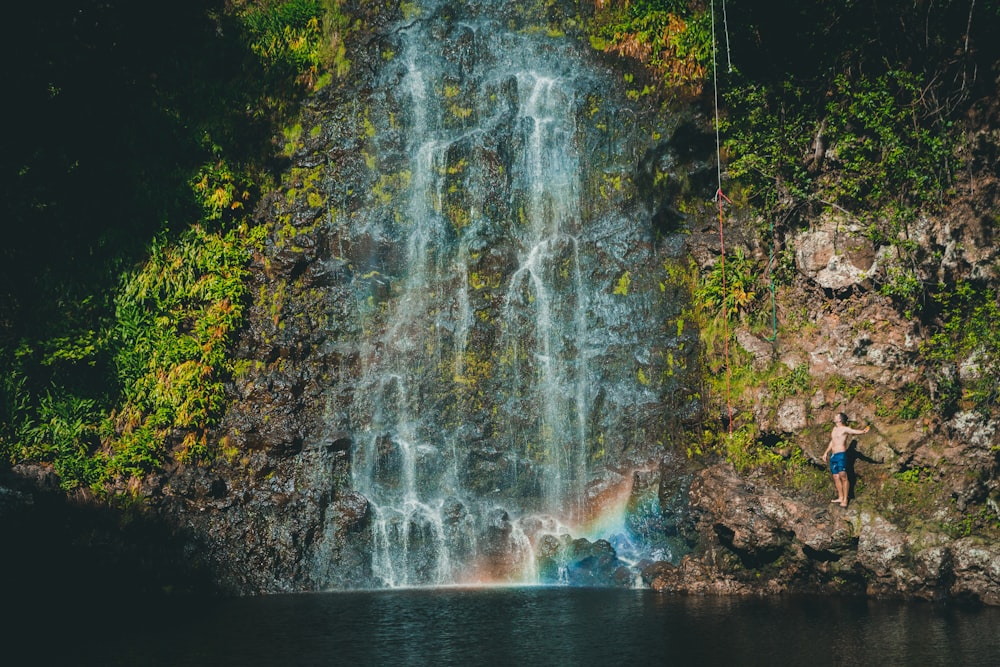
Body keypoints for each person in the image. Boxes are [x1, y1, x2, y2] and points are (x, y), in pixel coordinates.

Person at [821, 412, 869, 508]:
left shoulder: (845, 429)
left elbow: (854, 431)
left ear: (840, 419)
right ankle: (840, 497)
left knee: (843, 475)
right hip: (833, 455)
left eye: (836, 416)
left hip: (841, 455)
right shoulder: (834, 429)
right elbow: (832, 441)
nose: (834, 417)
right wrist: (826, 452)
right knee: (835, 476)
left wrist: (863, 431)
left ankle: (845, 499)